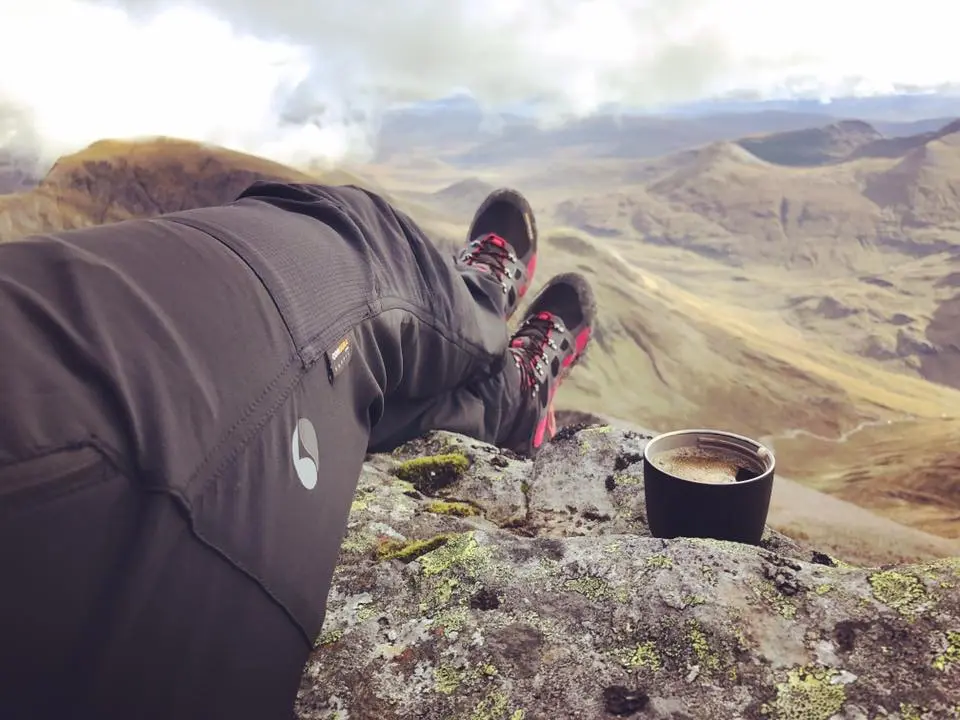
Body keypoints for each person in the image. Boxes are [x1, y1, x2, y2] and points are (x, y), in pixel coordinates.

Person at [0, 181, 595, 719]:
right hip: (67, 455)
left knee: (342, 393)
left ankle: (498, 402)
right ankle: (492, 325)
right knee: (351, 245)